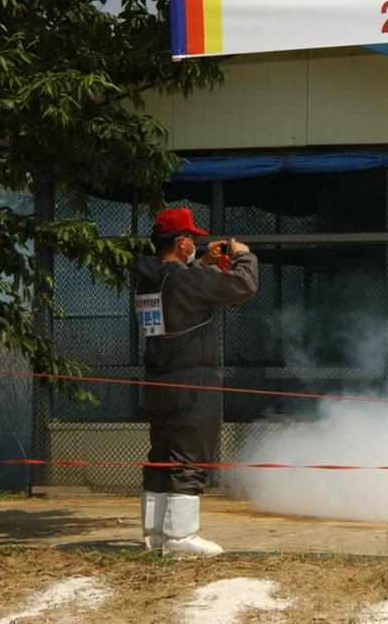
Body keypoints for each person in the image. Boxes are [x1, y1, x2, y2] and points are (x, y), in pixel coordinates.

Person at [133, 208, 259, 556]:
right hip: (192, 379)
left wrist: (201, 262)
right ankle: (181, 537)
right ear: (181, 242)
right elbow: (243, 285)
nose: (194, 244)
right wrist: (243, 256)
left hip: (158, 378)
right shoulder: (184, 280)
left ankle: (154, 535)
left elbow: (177, 286)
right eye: (191, 239)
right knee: (188, 456)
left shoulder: (147, 277)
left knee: (160, 456)